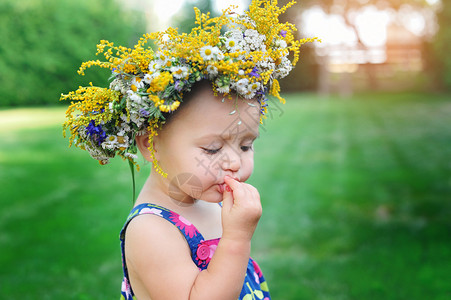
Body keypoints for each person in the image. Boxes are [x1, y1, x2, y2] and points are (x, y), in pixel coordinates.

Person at [60, 0, 317, 299]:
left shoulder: (205, 197)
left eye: (246, 145)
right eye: (211, 149)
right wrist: (236, 239)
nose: (234, 161)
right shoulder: (151, 231)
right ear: (150, 144)